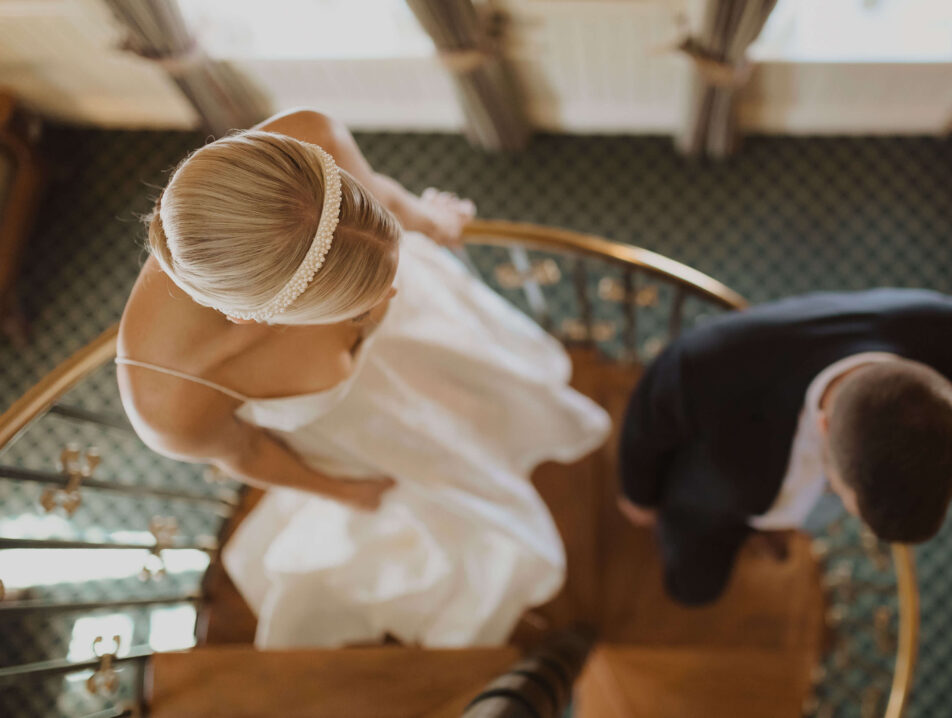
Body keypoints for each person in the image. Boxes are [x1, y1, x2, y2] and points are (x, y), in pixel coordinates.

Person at [116, 109, 611, 648]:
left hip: (423, 342)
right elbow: (248, 455)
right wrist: (344, 491)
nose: (390, 299)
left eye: (389, 276)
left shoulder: (304, 141)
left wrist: (423, 221)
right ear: (252, 318)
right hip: (364, 425)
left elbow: (390, 202)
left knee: (490, 394)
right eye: (356, 310)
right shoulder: (169, 401)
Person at [617, 289, 952, 606]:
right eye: (842, 494)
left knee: (806, 515)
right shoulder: (706, 367)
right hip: (711, 506)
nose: (841, 506)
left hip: (768, 483)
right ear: (823, 427)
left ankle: (773, 529)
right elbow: (646, 421)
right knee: (694, 589)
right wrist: (638, 495)